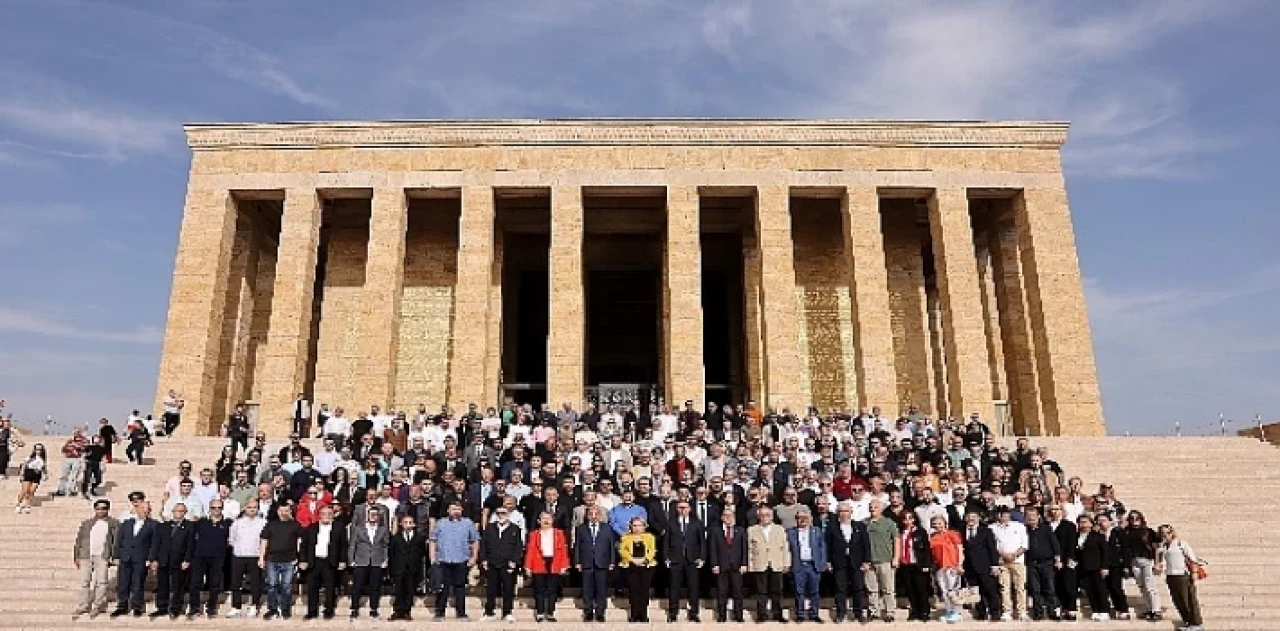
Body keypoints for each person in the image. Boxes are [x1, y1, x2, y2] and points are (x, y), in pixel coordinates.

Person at [430, 501, 480, 620]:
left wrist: (474, 557)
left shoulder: (468, 523)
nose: (456, 511)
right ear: (448, 510)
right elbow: (433, 540)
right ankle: (439, 612)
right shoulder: (441, 523)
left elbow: (475, 540)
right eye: (453, 509)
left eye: (458, 509)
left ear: (462, 510)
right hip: (443, 559)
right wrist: (432, 557)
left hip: (461, 560)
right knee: (442, 588)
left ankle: (461, 613)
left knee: (460, 587)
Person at [299, 504, 347, 620]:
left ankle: (329, 611)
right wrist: (302, 560)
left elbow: (344, 546)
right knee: (312, 588)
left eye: (329, 514)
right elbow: (304, 546)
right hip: (314, 561)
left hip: (330, 562)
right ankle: (312, 612)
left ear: (333, 515)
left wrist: (343, 561)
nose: (326, 516)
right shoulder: (311, 528)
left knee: (330, 588)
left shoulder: (339, 527)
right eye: (324, 514)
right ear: (319, 515)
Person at [111, 500, 158, 617]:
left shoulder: (153, 524)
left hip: (141, 558)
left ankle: (137, 606)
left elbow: (154, 543)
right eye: (143, 508)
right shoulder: (126, 523)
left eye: (147, 508)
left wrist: (151, 558)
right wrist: (116, 556)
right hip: (125, 556)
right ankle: (122, 606)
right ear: (137, 509)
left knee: (138, 583)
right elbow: (119, 541)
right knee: (123, 583)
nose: (145, 510)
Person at [73, 499, 119, 618]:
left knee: (102, 582)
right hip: (86, 555)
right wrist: (76, 556)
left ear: (108, 509)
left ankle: (98, 605)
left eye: (104, 508)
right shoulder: (87, 523)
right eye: (98, 508)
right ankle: (83, 605)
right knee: (84, 581)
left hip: (102, 555)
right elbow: (79, 540)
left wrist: (114, 556)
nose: (101, 511)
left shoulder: (114, 523)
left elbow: (116, 541)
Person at [828, 501, 872, 622]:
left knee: (858, 588)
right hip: (839, 561)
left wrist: (866, 561)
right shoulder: (832, 527)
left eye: (846, 511)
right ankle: (841, 613)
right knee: (840, 588)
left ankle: (858, 613)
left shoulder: (860, 526)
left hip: (856, 562)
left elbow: (866, 545)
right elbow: (828, 545)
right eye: (841, 511)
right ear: (838, 513)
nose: (844, 514)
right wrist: (828, 561)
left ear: (851, 512)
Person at [188, 499, 232, 619]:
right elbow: (192, 539)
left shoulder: (228, 524)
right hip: (200, 557)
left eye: (219, 507)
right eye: (213, 508)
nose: (216, 510)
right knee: (195, 583)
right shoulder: (200, 523)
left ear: (222, 508)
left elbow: (231, 540)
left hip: (217, 557)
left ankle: (211, 608)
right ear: (209, 508)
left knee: (214, 584)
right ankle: (194, 608)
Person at [481, 505, 526, 622]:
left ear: (508, 515)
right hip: (492, 563)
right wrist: (484, 559)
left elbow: (518, 547)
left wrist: (515, 561)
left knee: (508, 589)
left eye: (504, 513)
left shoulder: (515, 529)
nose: (501, 515)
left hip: (508, 564)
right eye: (499, 513)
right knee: (491, 589)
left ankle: (507, 612)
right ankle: (489, 612)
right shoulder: (489, 528)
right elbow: (484, 545)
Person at [259, 503, 303, 619]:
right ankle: (273, 609)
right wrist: (261, 558)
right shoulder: (271, 525)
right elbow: (264, 541)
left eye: (286, 510)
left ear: (290, 511)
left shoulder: (295, 525)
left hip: (289, 561)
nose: (284, 513)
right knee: (272, 585)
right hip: (272, 560)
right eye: (281, 510)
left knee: (286, 586)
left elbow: (300, 542)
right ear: (277, 512)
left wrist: (298, 558)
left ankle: (285, 609)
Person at [573, 505, 617, 622]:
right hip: (586, 562)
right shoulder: (581, 528)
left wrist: (612, 561)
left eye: (596, 514)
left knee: (601, 589)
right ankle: (588, 611)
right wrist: (577, 561)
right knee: (587, 589)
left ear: (600, 515)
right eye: (590, 514)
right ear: (587, 516)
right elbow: (577, 546)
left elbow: (611, 546)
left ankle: (600, 612)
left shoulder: (607, 528)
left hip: (602, 562)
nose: (593, 516)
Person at [1157, 524, 1204, 631]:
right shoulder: (1163, 547)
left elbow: (1192, 559)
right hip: (1170, 576)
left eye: (1167, 533)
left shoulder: (1181, 544)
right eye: (1162, 533)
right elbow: (1161, 562)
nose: (1165, 535)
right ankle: (1187, 621)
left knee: (1189, 599)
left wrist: (1194, 573)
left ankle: (1196, 623)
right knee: (1177, 600)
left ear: (1172, 533)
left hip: (1182, 575)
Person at [152, 503, 196, 619]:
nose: (179, 513)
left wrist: (187, 559)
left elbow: (190, 545)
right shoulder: (163, 526)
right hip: (163, 559)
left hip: (179, 560)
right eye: (177, 511)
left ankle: (176, 609)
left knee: (177, 586)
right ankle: (162, 607)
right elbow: (156, 544)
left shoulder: (189, 526)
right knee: (162, 585)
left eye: (182, 511)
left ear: (185, 513)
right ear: (173, 511)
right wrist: (154, 559)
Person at [525, 511, 571, 622]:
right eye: (543, 518)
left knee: (552, 589)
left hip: (554, 561)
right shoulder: (534, 534)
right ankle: (540, 612)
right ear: (539, 521)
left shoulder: (559, 533)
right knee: (539, 589)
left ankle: (550, 612)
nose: (546, 521)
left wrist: (564, 565)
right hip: (538, 562)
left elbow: (564, 550)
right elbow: (530, 550)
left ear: (553, 520)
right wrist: (527, 566)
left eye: (548, 518)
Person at [747, 504, 790, 622]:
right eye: (762, 515)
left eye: (767, 515)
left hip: (776, 563)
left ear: (772, 516)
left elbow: (785, 547)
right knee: (761, 592)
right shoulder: (752, 530)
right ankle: (761, 614)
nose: (765, 517)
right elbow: (749, 549)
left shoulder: (779, 529)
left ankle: (777, 614)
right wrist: (750, 565)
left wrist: (786, 563)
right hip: (760, 563)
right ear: (758, 516)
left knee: (777, 591)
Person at [348, 503, 390, 619]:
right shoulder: (358, 529)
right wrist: (351, 560)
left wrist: (385, 559)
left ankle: (374, 609)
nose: (373, 516)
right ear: (367, 515)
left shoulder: (383, 530)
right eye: (371, 514)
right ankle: (354, 608)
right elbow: (352, 545)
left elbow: (386, 545)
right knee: (357, 586)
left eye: (375, 515)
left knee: (375, 587)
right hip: (361, 561)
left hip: (377, 561)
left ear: (378, 517)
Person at [227, 500, 267, 618]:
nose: (252, 509)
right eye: (249, 507)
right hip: (239, 555)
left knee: (255, 583)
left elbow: (264, 540)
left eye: (254, 507)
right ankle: (236, 607)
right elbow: (232, 539)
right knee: (236, 582)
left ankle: (254, 606)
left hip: (255, 555)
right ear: (245, 508)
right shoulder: (237, 523)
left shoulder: (263, 522)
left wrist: (261, 555)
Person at [961, 509, 1002, 621]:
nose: (971, 519)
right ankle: (981, 613)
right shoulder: (961, 531)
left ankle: (995, 613)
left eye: (973, 516)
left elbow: (992, 548)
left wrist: (994, 564)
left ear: (979, 518)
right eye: (968, 516)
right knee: (975, 592)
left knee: (990, 590)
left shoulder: (986, 531)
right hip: (969, 567)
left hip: (985, 566)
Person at [990, 505, 1030, 622]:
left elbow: (1024, 544)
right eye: (1000, 514)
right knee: (1004, 587)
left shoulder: (1019, 526)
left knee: (1020, 587)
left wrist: (1015, 555)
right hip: (1002, 562)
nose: (1003, 516)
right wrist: (1003, 555)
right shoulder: (992, 528)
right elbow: (993, 545)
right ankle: (1007, 611)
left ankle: (1022, 611)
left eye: (1005, 514)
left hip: (1018, 561)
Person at [787, 508, 827, 622]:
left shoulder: (817, 531)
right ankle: (800, 614)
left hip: (813, 565)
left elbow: (822, 548)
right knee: (799, 591)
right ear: (796, 520)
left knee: (815, 591)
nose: (803, 520)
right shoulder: (790, 532)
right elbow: (787, 549)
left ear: (810, 519)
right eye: (800, 518)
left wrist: (822, 564)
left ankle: (814, 614)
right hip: (799, 565)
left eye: (805, 517)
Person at [864, 498, 900, 622]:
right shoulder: (864, 523)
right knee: (871, 589)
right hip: (869, 561)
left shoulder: (889, 523)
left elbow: (896, 540)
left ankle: (890, 612)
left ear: (881, 509)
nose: (872, 509)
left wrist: (896, 558)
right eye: (871, 507)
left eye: (875, 507)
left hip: (886, 560)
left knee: (888, 589)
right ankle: (874, 612)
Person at [709, 506, 748, 623]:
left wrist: (744, 564)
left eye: (731, 516)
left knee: (738, 592)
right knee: (722, 592)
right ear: (722, 518)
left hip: (736, 566)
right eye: (726, 516)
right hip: (721, 566)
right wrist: (714, 564)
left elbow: (744, 549)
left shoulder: (740, 531)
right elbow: (713, 549)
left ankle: (739, 615)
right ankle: (722, 616)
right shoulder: (716, 531)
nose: (729, 518)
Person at [1024, 507, 1062, 621]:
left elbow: (1055, 545)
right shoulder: (1024, 530)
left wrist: (1057, 559)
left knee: (1050, 589)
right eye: (1028, 516)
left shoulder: (1046, 529)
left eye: (1033, 515)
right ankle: (1038, 613)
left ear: (1038, 516)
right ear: (1025, 518)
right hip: (1031, 564)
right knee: (1035, 590)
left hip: (1047, 563)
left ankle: (1053, 612)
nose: (1031, 518)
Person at [1124, 510, 1163, 621]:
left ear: (1141, 519)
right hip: (1134, 561)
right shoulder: (1127, 532)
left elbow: (1156, 548)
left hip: (1147, 560)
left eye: (1137, 518)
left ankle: (1156, 610)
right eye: (1132, 518)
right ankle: (1149, 609)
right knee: (1142, 586)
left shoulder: (1148, 531)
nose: (1134, 521)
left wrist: (1157, 563)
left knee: (1150, 586)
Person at [897, 510, 935, 622]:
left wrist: (927, 564)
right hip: (905, 564)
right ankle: (915, 611)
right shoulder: (900, 532)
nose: (908, 521)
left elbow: (927, 549)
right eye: (905, 519)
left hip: (918, 564)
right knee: (910, 589)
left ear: (914, 519)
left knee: (921, 589)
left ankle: (924, 611)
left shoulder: (920, 532)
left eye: (910, 518)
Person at [618, 517, 658, 623]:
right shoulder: (625, 537)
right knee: (634, 590)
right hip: (631, 566)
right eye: (634, 525)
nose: (636, 528)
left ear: (644, 526)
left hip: (646, 566)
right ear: (631, 526)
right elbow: (622, 550)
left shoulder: (650, 537)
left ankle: (643, 614)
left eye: (639, 525)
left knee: (644, 591)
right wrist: (632, 560)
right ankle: (634, 614)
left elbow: (652, 550)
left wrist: (645, 560)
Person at [389, 513, 427, 621]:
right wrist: (391, 569)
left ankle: (406, 611)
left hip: (412, 568)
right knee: (398, 590)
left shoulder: (419, 538)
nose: (408, 525)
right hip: (399, 568)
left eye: (410, 522)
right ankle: (397, 611)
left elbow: (421, 553)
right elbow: (392, 554)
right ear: (401, 524)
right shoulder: (396, 538)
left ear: (414, 524)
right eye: (405, 522)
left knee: (410, 590)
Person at [928, 514, 965, 623]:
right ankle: (949, 610)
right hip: (940, 566)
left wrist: (960, 564)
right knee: (944, 591)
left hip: (952, 565)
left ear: (944, 523)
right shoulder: (932, 537)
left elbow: (959, 549)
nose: (937, 525)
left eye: (939, 523)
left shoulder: (953, 534)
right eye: (935, 524)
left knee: (954, 590)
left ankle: (957, 612)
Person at [1074, 515, 1111, 621]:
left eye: (1085, 522)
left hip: (1096, 566)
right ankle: (1095, 610)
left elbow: (1105, 552)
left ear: (1091, 524)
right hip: (1083, 567)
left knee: (1100, 589)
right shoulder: (1077, 536)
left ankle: (1104, 611)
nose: (1083, 524)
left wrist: (1104, 566)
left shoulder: (1098, 536)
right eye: (1081, 522)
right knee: (1089, 590)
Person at [15, 443, 47, 513]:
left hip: (37, 474)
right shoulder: (30, 457)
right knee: (25, 490)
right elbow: (24, 465)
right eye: (37, 449)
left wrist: (45, 474)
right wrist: (22, 474)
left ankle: (27, 505)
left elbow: (43, 467)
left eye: (40, 449)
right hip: (29, 472)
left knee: (32, 491)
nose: (38, 451)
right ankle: (18, 504)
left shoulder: (42, 459)